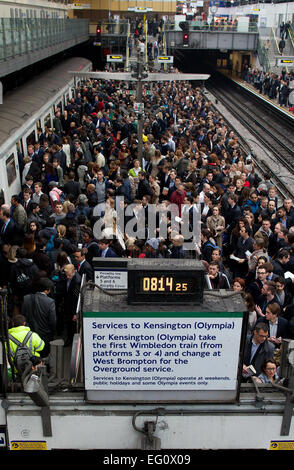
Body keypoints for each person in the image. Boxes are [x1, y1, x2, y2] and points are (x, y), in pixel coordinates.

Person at [21, 278, 56, 357]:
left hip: (29, 334)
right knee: (44, 357)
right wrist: (52, 332)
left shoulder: (26, 298)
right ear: (46, 290)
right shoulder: (50, 302)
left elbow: (23, 315)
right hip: (45, 335)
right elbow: (53, 321)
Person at [63, 264, 81, 346]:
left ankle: (70, 340)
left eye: (69, 275)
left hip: (72, 308)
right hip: (68, 304)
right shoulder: (72, 277)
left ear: (73, 272)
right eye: (66, 275)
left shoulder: (76, 281)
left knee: (71, 326)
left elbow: (76, 299)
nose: (67, 277)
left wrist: (75, 313)